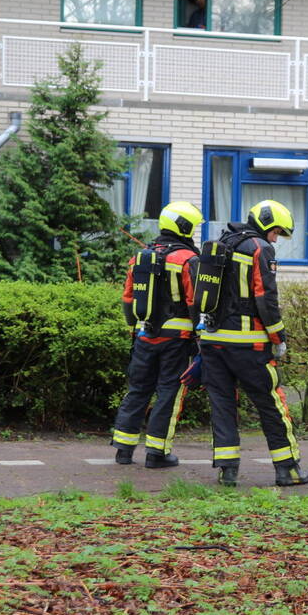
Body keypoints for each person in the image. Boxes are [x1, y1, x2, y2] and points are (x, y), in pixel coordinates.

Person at [198, 199, 308, 487]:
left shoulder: (222, 243)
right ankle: (288, 469)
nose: (276, 239)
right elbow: (265, 297)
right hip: (248, 344)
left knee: (222, 406)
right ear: (266, 224)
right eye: (276, 232)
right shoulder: (259, 248)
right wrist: (278, 337)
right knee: (271, 405)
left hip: (212, 341)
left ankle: (227, 472)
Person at [111, 201, 204, 468]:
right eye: (192, 227)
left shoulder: (140, 257)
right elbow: (195, 302)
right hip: (177, 339)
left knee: (137, 390)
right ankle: (157, 453)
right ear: (183, 227)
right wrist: (200, 337)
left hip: (144, 336)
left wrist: (135, 327)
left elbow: (128, 299)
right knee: (168, 393)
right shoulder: (188, 259)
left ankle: (123, 450)